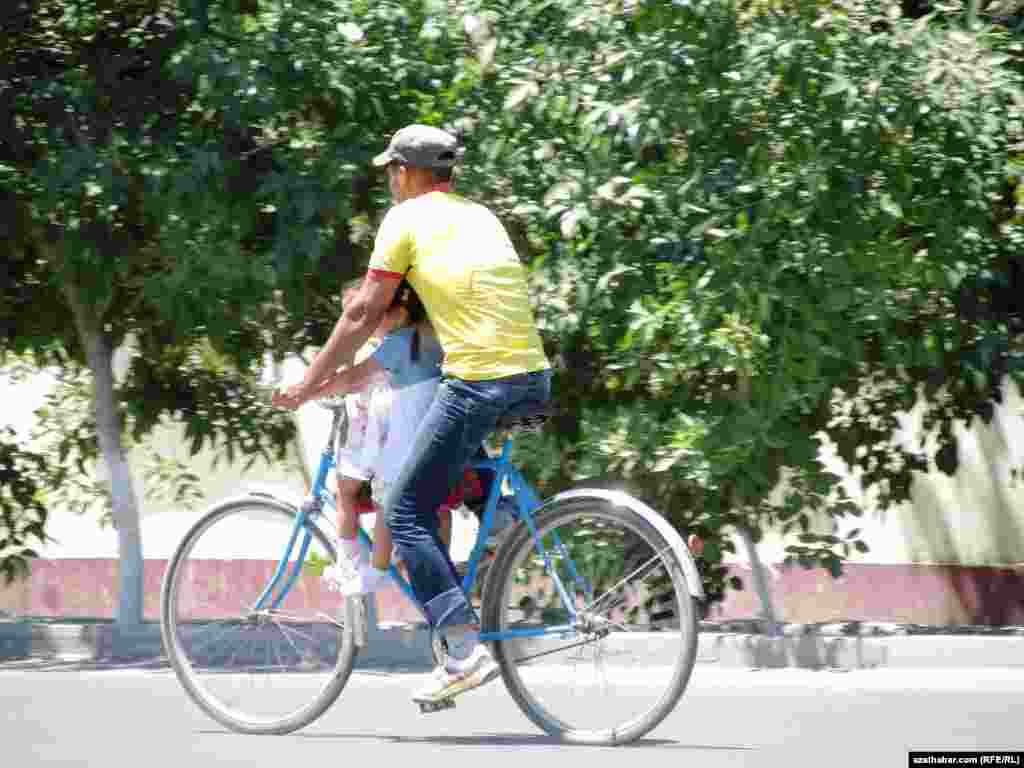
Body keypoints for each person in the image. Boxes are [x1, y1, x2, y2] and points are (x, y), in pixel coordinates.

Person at [273, 123, 551, 705]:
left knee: (402, 511)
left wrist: (309, 382)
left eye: (392, 172)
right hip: (530, 376)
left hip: (478, 378)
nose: (391, 183)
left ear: (408, 172)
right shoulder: (482, 216)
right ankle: (489, 529)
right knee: (440, 480)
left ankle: (461, 648)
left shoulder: (405, 221)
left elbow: (362, 314)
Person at [307, 281, 453, 595]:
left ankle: (377, 569)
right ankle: (438, 577)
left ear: (398, 313)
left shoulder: (399, 343)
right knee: (427, 505)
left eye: (375, 316)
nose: (369, 324)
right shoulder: (431, 334)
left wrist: (307, 390)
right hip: (435, 434)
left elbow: (354, 379)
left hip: (406, 436)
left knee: (385, 497)